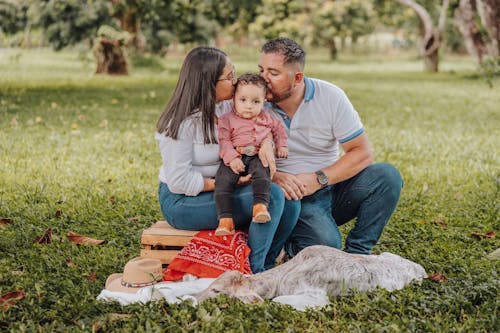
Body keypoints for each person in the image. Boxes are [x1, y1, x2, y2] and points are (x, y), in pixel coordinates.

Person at [156, 46, 300, 273]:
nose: (235, 82)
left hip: (225, 185)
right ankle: (253, 273)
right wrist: (236, 183)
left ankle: (268, 266)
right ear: (209, 83)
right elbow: (179, 181)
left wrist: (267, 144)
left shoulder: (228, 106)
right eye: (229, 76)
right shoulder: (181, 123)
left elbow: (259, 125)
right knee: (271, 195)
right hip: (182, 200)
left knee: (290, 201)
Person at [258, 37, 403, 257]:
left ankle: (358, 253)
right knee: (326, 246)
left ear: (297, 78)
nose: (263, 79)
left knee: (387, 176)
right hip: (293, 197)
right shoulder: (253, 103)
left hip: (331, 184)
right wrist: (275, 176)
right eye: (261, 70)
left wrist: (317, 180)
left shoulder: (330, 96)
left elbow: (362, 152)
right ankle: (292, 244)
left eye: (273, 73)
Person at [214, 73, 288, 235]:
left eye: (256, 102)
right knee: (222, 183)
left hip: (256, 155)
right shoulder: (227, 119)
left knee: (263, 174)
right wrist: (232, 158)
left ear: (264, 101)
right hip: (235, 157)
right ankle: (225, 220)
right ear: (233, 98)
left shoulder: (266, 118)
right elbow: (224, 141)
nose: (249, 106)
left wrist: (281, 145)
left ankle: (260, 207)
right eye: (243, 100)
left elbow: (279, 129)